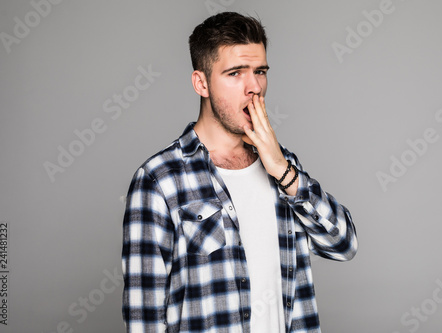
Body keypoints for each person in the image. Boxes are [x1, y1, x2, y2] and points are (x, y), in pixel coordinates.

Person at [122, 11, 358, 333]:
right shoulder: (158, 180)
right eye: (235, 73)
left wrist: (281, 169)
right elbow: (144, 318)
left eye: (260, 71)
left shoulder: (281, 165)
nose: (254, 87)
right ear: (201, 83)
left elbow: (343, 244)